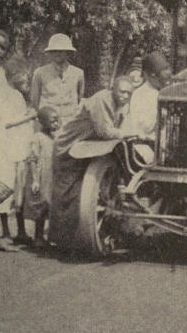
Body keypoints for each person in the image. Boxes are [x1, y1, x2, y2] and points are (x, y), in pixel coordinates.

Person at [48, 76, 133, 250]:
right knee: (65, 195)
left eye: (129, 93)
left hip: (86, 148)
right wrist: (129, 133)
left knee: (81, 197)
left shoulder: (118, 104)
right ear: (113, 89)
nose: (125, 96)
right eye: (122, 91)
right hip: (68, 148)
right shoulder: (101, 100)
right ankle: (60, 242)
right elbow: (104, 131)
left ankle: (74, 241)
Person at [0, 60, 36, 251]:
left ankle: (19, 232)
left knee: (18, 191)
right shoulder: (2, 95)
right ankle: (0, 234)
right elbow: (4, 123)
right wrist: (28, 116)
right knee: (3, 192)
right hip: (6, 148)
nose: (26, 79)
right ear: (12, 76)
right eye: (23, 75)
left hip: (18, 148)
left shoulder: (17, 95)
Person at [24, 106, 59, 250]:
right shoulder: (37, 137)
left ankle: (47, 237)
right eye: (52, 121)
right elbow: (33, 159)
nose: (56, 124)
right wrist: (35, 180)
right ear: (43, 122)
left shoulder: (55, 137)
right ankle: (38, 237)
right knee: (41, 205)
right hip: (41, 175)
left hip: (52, 176)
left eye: (57, 120)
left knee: (50, 204)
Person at [30, 34, 84, 127]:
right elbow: (35, 101)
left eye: (61, 51)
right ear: (50, 53)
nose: (57, 54)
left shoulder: (78, 73)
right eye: (54, 51)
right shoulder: (39, 73)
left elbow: (80, 99)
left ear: (68, 52)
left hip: (70, 123)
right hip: (47, 123)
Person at [120, 52, 172, 145]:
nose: (169, 73)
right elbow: (144, 127)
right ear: (152, 75)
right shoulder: (141, 94)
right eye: (164, 69)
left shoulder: (159, 91)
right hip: (144, 144)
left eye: (168, 68)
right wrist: (163, 114)